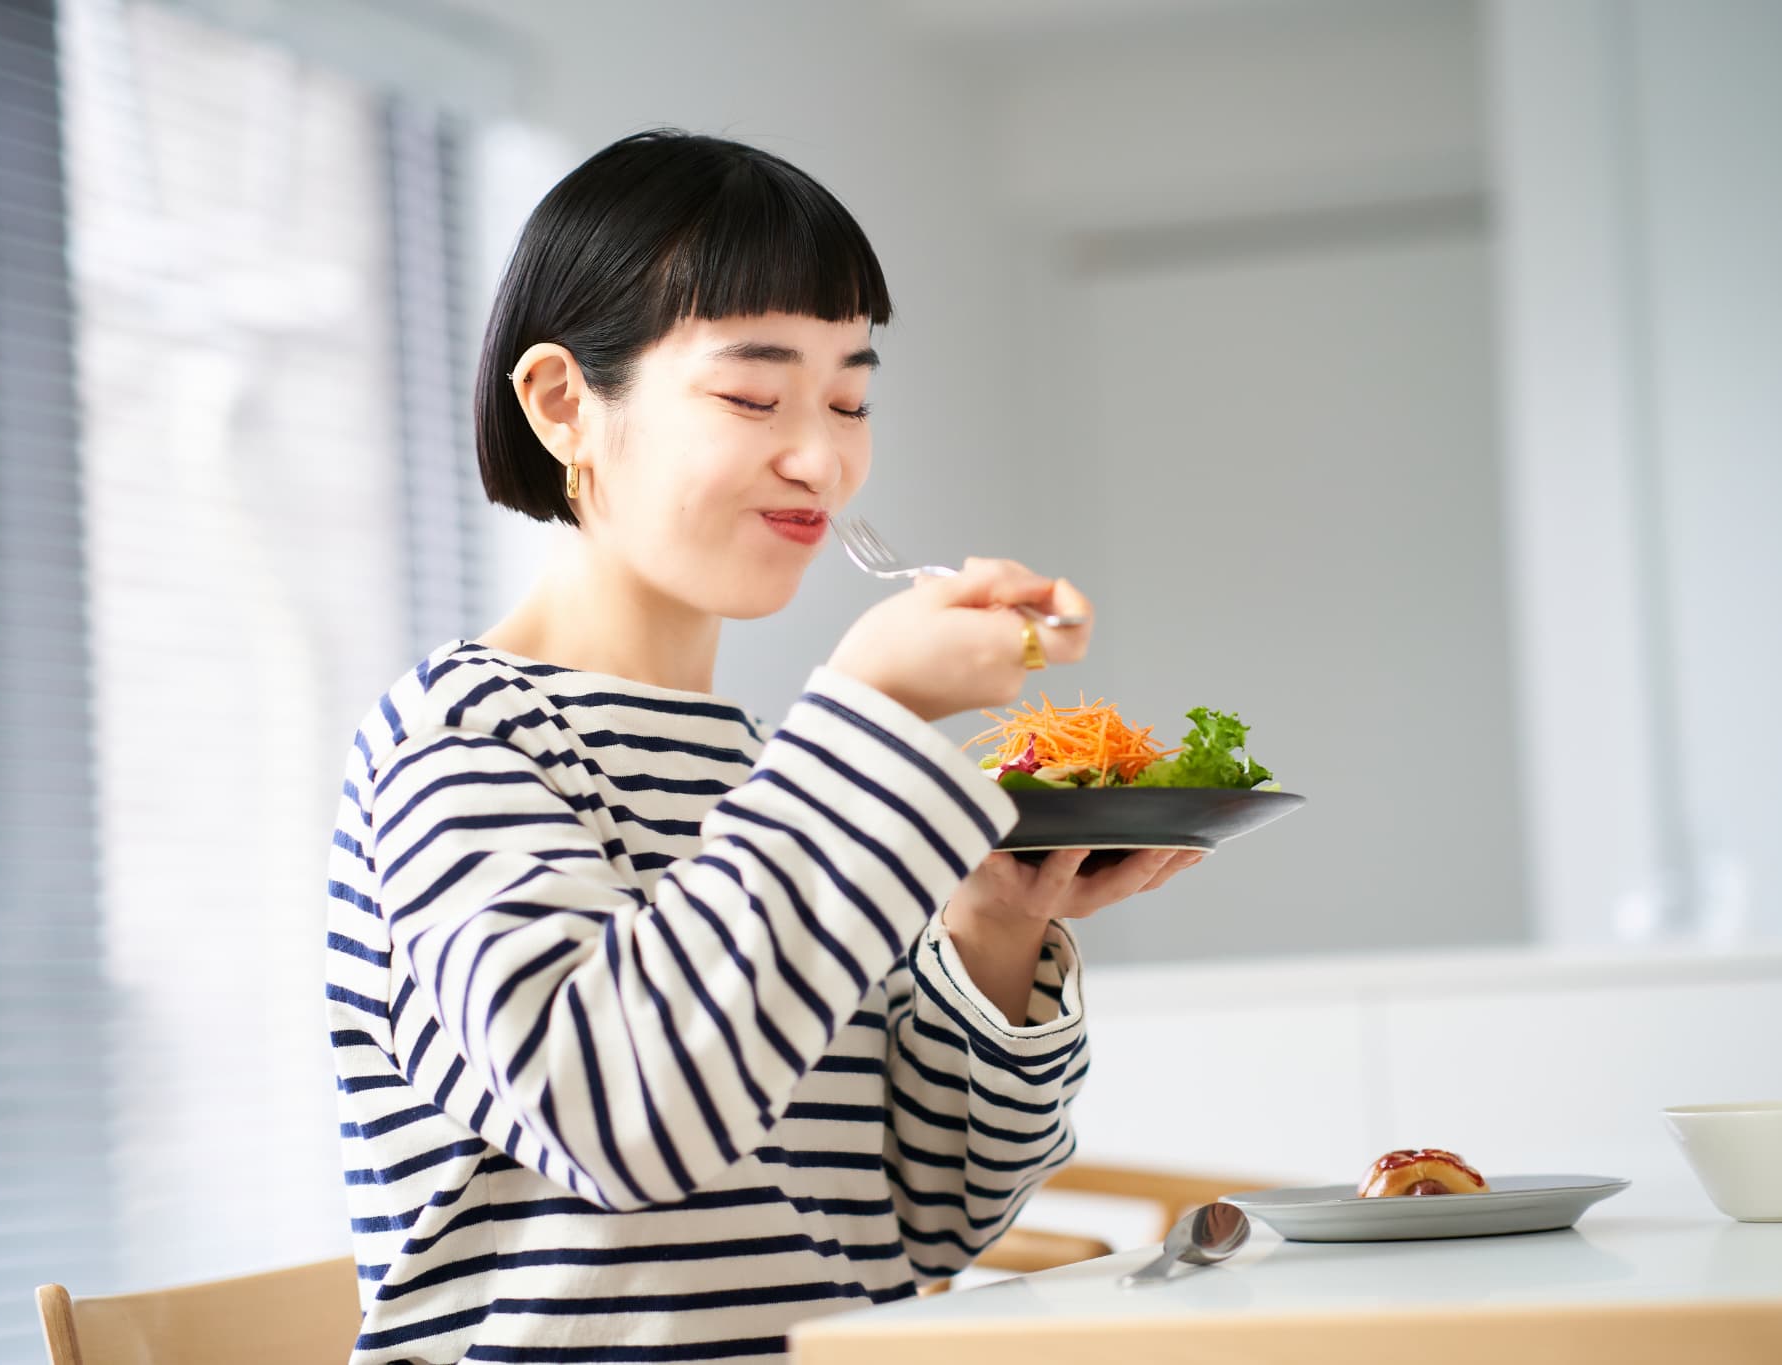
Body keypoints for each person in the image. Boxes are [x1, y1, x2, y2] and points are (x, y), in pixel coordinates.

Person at [324, 129, 1198, 1364]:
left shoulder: (775, 774)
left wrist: (992, 932)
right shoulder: (463, 739)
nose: (821, 457)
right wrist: (874, 713)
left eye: (849, 398)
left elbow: (922, 1221)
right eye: (752, 395)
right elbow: (621, 1124)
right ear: (564, 404)